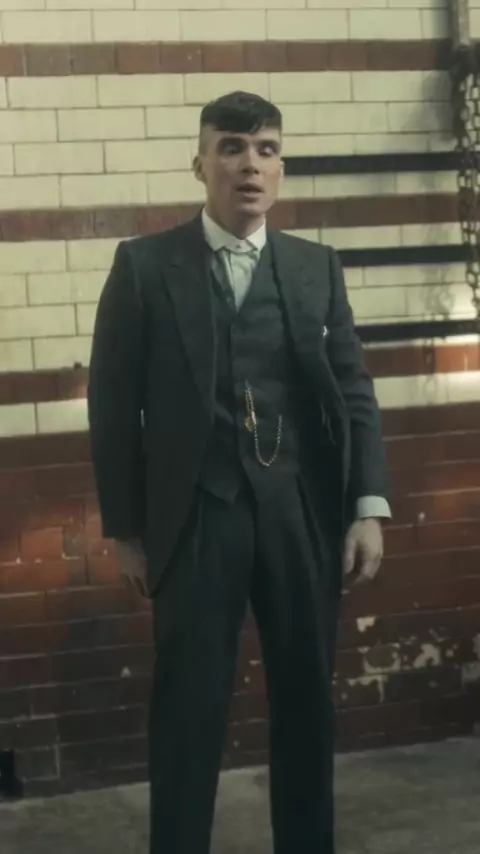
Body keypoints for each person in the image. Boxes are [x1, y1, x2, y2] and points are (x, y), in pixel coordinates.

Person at [88, 90, 391, 854]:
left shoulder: (317, 267)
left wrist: (367, 505)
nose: (249, 165)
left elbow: (354, 389)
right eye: (231, 147)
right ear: (200, 164)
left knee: (306, 705)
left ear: (280, 168)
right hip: (197, 517)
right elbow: (113, 406)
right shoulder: (144, 267)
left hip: (300, 513)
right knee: (188, 711)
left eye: (265, 149)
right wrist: (126, 529)